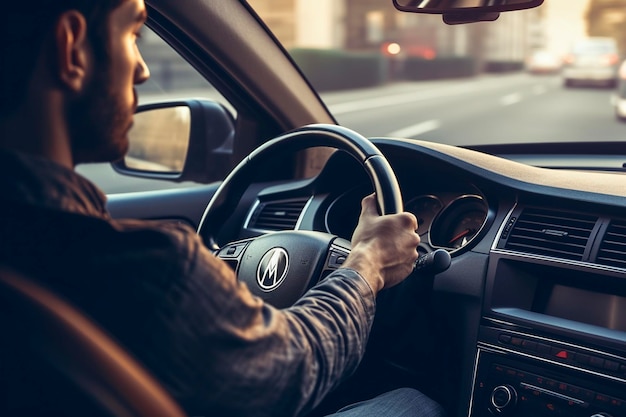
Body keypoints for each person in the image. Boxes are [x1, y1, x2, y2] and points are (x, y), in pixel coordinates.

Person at [0, 1, 446, 417]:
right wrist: (367, 264)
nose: (141, 68)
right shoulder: (145, 267)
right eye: (133, 33)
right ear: (71, 48)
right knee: (415, 403)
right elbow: (293, 369)